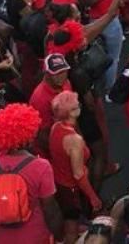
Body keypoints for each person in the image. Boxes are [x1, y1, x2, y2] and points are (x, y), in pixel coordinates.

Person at [0, 103, 62, 244]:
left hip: (2, 238)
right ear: (29, 135)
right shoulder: (41, 166)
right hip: (36, 236)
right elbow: (50, 211)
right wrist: (60, 238)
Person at [49, 91, 102, 242]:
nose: (79, 105)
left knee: (69, 218)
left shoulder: (56, 127)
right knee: (71, 227)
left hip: (58, 183)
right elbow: (78, 174)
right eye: (75, 106)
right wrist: (93, 198)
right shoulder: (75, 140)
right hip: (70, 188)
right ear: (70, 113)